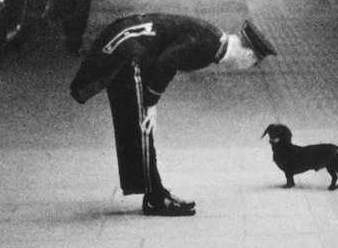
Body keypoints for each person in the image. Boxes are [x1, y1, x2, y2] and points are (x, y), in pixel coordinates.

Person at [70, 14, 277, 216]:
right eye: (255, 63)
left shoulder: (214, 40)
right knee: (141, 124)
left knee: (135, 124)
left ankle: (154, 193)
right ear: (249, 56)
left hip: (127, 44)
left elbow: (165, 58)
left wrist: (150, 99)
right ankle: (156, 198)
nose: (251, 67)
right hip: (127, 50)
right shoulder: (208, 44)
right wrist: (151, 104)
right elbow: (167, 62)